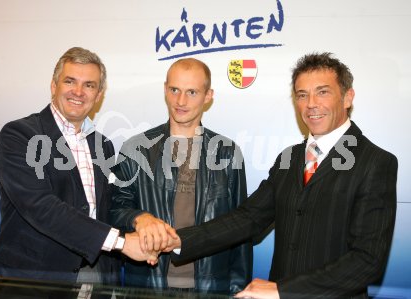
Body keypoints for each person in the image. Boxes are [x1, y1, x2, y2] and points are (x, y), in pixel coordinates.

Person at [167, 52, 398, 299]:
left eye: (322, 92)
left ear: (347, 97)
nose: (311, 104)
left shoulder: (376, 162)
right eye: (302, 95)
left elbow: (367, 262)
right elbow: (248, 218)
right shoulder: (289, 158)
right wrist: (176, 241)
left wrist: (282, 290)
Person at [0, 47, 159, 285]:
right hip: (34, 280)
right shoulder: (20, 135)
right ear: (54, 86)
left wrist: (141, 220)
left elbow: (107, 208)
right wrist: (123, 243)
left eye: (89, 85)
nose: (78, 91)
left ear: (99, 95)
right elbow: (41, 207)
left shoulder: (102, 145)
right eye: (70, 81)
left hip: (96, 277)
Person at [109, 58, 252, 294]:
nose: (181, 101)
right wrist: (139, 217)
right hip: (148, 288)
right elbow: (113, 210)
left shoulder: (228, 153)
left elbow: (241, 229)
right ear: (165, 89)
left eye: (192, 92)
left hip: (210, 290)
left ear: (208, 96)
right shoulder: (136, 149)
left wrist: (238, 291)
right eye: (175, 90)